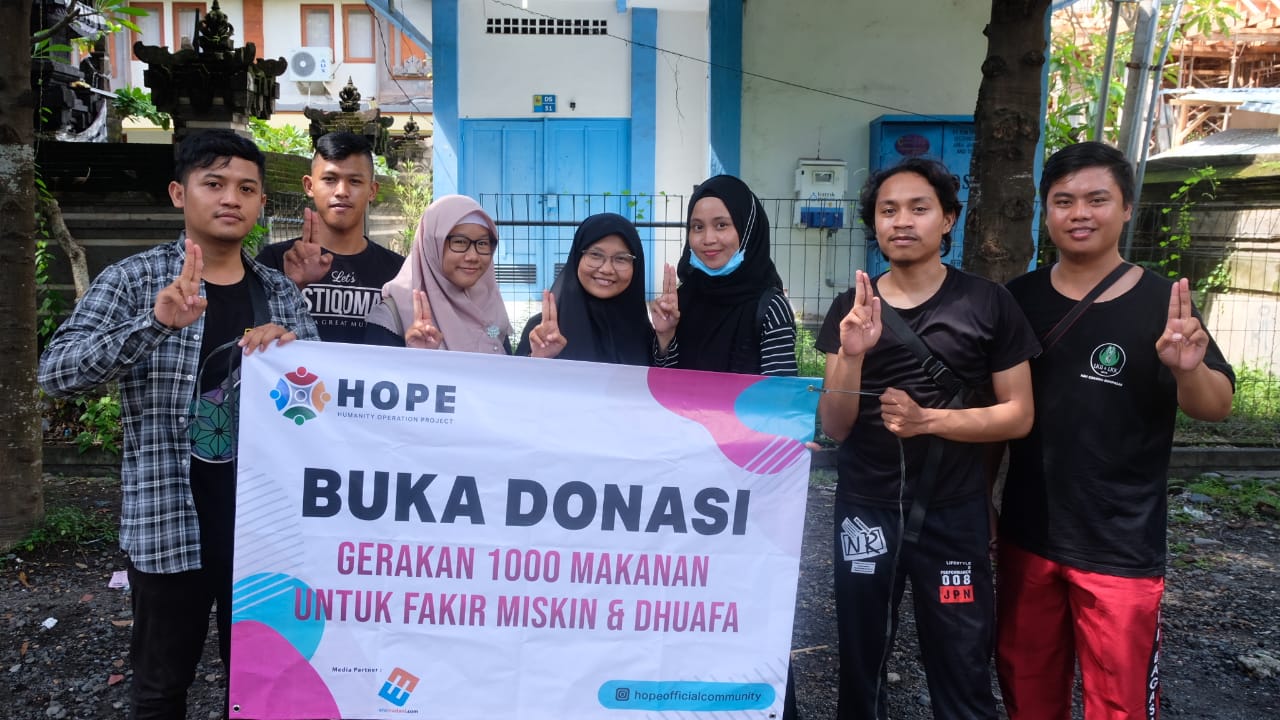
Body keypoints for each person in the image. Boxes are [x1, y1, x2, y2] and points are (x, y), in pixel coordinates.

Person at [37, 129, 319, 719]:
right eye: (213, 183)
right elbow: (58, 373)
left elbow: (323, 410)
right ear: (178, 193)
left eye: (246, 188)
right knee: (161, 688)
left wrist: (296, 355)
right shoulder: (135, 280)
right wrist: (155, 323)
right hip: (169, 523)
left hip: (265, 531)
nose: (231, 198)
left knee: (268, 685)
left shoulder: (280, 294)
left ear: (261, 203)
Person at [996, 141, 1235, 720]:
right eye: (1064, 201)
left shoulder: (1164, 303)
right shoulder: (1017, 299)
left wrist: (1188, 369)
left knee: (1121, 703)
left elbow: (1216, 406)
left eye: (1097, 199)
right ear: (1046, 212)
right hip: (1029, 532)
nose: (1080, 213)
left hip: (1120, 542)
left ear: (1127, 208)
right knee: (1027, 689)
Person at [815, 157, 1039, 720]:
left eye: (919, 208)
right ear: (874, 223)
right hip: (866, 508)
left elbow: (1018, 415)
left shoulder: (987, 303)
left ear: (948, 220)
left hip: (953, 512)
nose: (902, 221)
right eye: (887, 210)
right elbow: (836, 426)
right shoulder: (851, 307)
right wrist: (851, 355)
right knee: (861, 660)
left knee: (962, 661)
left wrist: (929, 421)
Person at [255, 131, 403, 343]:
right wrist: (292, 285)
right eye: (329, 179)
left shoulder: (398, 272)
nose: (341, 191)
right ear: (309, 186)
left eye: (355, 181)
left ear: (372, 191)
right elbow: (250, 333)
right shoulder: (275, 262)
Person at [651, 174, 798, 375]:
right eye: (698, 227)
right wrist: (665, 337)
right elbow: (664, 384)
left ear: (747, 229)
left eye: (721, 225)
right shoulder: (682, 301)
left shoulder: (770, 308)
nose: (708, 239)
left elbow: (780, 391)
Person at [364, 195, 513, 353]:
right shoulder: (395, 316)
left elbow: (505, 364)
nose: (473, 257)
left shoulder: (489, 307)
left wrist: (532, 356)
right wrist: (417, 356)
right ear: (432, 244)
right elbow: (376, 368)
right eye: (459, 242)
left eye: (482, 243)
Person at [516, 212, 653, 365]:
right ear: (577, 257)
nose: (607, 269)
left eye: (621, 258)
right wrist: (539, 359)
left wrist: (666, 338)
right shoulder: (543, 332)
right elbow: (514, 379)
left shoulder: (645, 333)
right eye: (595, 255)